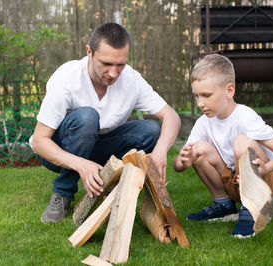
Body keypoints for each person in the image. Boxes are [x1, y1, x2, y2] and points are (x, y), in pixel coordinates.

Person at [31, 23, 181, 223]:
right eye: (106, 63)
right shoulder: (67, 78)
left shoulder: (131, 80)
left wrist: (161, 151)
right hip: (61, 149)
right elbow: (40, 141)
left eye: (120, 64)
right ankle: (63, 193)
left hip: (100, 146)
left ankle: (111, 185)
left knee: (152, 130)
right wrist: (81, 165)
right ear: (89, 52)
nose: (113, 73)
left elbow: (171, 116)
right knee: (87, 117)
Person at [173, 54, 273, 238]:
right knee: (199, 149)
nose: (200, 103)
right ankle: (224, 206)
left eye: (206, 95)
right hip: (234, 180)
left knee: (241, 142)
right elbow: (177, 166)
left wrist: (265, 168)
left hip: (265, 180)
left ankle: (251, 208)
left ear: (229, 91)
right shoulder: (204, 122)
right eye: (196, 96)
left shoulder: (245, 116)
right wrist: (183, 161)